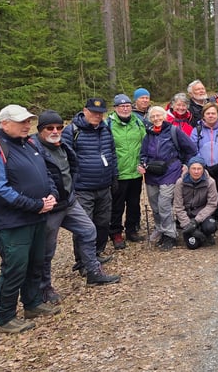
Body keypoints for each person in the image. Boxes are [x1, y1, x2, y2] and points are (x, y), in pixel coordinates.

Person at [0, 105, 58, 333]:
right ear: (4, 123)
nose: (27, 125)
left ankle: (32, 304)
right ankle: (5, 317)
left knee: (36, 262)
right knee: (15, 267)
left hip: (37, 217)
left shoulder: (30, 143)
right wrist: (36, 205)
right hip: (13, 222)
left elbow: (47, 174)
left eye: (28, 121)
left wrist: (52, 194)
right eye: (21, 121)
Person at [32, 111, 120, 303]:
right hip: (49, 208)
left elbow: (72, 167)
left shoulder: (62, 145)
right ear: (40, 130)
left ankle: (93, 271)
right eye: (49, 128)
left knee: (88, 230)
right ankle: (44, 289)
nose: (55, 131)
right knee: (47, 250)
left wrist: (73, 189)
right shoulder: (32, 148)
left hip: (69, 202)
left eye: (58, 127)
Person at [62, 97, 118, 254]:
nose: (97, 116)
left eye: (100, 113)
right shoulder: (72, 131)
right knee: (84, 226)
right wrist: (69, 186)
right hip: (82, 189)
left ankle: (97, 253)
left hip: (104, 187)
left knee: (103, 223)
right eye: (93, 112)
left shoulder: (105, 129)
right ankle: (83, 260)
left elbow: (112, 153)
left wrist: (114, 176)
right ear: (85, 111)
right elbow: (64, 160)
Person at [139, 105, 198, 250]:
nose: (156, 118)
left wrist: (186, 164)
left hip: (170, 172)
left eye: (158, 115)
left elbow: (191, 149)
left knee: (164, 204)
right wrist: (142, 164)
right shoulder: (148, 134)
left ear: (164, 116)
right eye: (153, 116)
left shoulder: (173, 131)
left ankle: (170, 235)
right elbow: (143, 154)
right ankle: (161, 228)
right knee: (155, 206)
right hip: (152, 173)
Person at [109, 94, 147, 243]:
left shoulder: (138, 122)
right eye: (121, 106)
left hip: (136, 172)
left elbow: (145, 142)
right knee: (117, 205)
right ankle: (115, 232)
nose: (125, 109)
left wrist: (144, 162)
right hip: (119, 172)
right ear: (115, 108)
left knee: (134, 203)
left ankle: (131, 230)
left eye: (127, 106)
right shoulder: (109, 124)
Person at [173, 156, 218, 249]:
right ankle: (196, 234)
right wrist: (188, 225)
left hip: (202, 214)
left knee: (210, 226)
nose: (196, 171)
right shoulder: (180, 183)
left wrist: (196, 221)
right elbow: (178, 206)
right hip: (186, 215)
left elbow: (212, 204)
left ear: (203, 169)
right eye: (193, 168)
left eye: (199, 168)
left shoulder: (210, 182)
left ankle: (205, 234)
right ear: (189, 169)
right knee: (192, 246)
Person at [192, 102, 218, 203]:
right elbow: (193, 149)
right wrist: (202, 165)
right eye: (208, 113)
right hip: (202, 170)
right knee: (203, 197)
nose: (210, 116)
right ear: (203, 116)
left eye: (213, 113)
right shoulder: (197, 130)